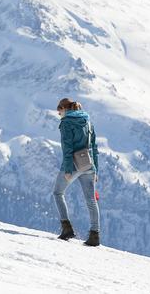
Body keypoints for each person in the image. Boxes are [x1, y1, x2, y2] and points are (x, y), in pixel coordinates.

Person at [53, 97, 101, 246]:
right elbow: (94, 147)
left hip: (73, 165)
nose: (58, 114)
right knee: (91, 200)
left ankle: (66, 228)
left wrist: (68, 169)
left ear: (64, 109)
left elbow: (67, 148)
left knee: (58, 193)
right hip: (88, 164)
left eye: (58, 110)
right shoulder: (87, 121)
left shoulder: (66, 123)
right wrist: (95, 170)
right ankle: (95, 235)